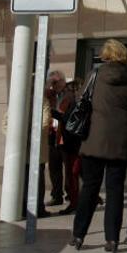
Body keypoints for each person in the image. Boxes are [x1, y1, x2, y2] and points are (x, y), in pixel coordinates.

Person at [70, 39, 127, 253]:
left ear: (106, 55)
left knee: (90, 189)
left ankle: (78, 236)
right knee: (115, 191)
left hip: (94, 140)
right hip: (120, 143)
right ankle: (112, 239)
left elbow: (82, 100)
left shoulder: (96, 74)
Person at [46, 70, 72, 207]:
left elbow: (67, 115)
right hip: (52, 135)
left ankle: (70, 194)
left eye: (56, 82)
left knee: (68, 168)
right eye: (53, 83)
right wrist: (48, 84)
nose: (54, 85)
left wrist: (55, 113)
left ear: (62, 81)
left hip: (64, 135)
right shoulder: (50, 95)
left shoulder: (69, 94)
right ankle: (56, 195)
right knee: (54, 167)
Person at [58, 78, 83, 215]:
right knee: (76, 174)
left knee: (72, 175)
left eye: (67, 90)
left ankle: (75, 202)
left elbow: (69, 122)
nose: (64, 92)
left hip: (73, 145)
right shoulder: (75, 103)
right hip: (74, 145)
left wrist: (56, 114)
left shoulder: (75, 104)